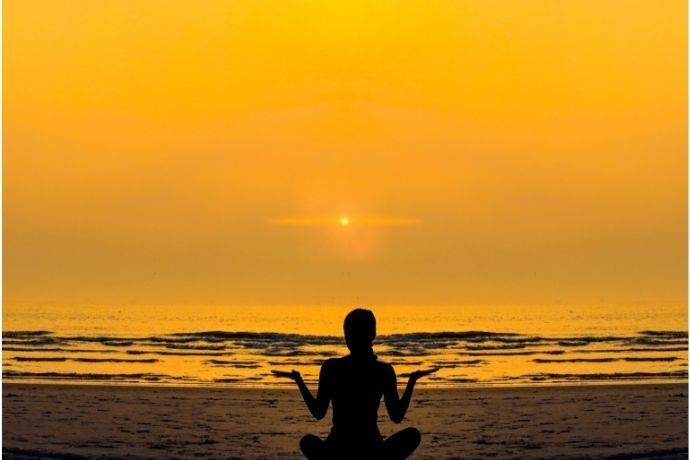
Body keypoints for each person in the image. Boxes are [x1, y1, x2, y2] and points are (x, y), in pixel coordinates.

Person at [273, 308, 437, 459]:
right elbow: (397, 416)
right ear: (373, 334)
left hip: (337, 448)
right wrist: (411, 382)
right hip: (372, 449)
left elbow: (318, 412)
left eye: (349, 333)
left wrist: (299, 382)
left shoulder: (332, 367)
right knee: (412, 435)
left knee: (308, 442)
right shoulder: (383, 370)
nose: (347, 337)